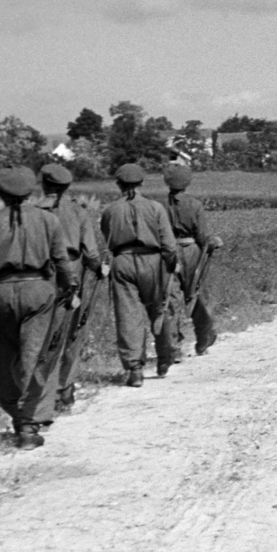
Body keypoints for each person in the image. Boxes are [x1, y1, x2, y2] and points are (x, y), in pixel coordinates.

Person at [0, 166, 76, 450]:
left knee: (4, 355)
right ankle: (31, 423)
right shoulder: (49, 221)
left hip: (0, 293)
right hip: (39, 291)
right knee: (37, 355)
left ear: (0, 194)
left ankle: (18, 416)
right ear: (32, 192)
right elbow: (61, 261)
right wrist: (70, 290)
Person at [35, 163, 107, 414]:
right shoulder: (78, 212)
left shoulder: (32, 212)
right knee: (71, 330)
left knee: (43, 332)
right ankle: (64, 387)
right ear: (67, 187)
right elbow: (91, 253)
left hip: (41, 275)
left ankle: (42, 388)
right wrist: (99, 269)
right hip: (72, 272)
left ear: (43, 185)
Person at [99, 163, 180, 386]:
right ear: (142, 183)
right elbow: (169, 245)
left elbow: (107, 237)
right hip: (153, 261)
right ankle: (165, 358)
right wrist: (171, 264)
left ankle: (134, 368)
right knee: (160, 308)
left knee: (128, 314)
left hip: (122, 261)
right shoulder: (156, 208)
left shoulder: (110, 210)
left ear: (119, 184)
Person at [163, 164, 224, 356]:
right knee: (197, 293)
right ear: (187, 182)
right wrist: (213, 242)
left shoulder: (160, 206)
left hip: (168, 252)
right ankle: (203, 338)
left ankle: (174, 347)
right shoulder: (194, 205)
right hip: (191, 252)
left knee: (170, 299)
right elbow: (202, 235)